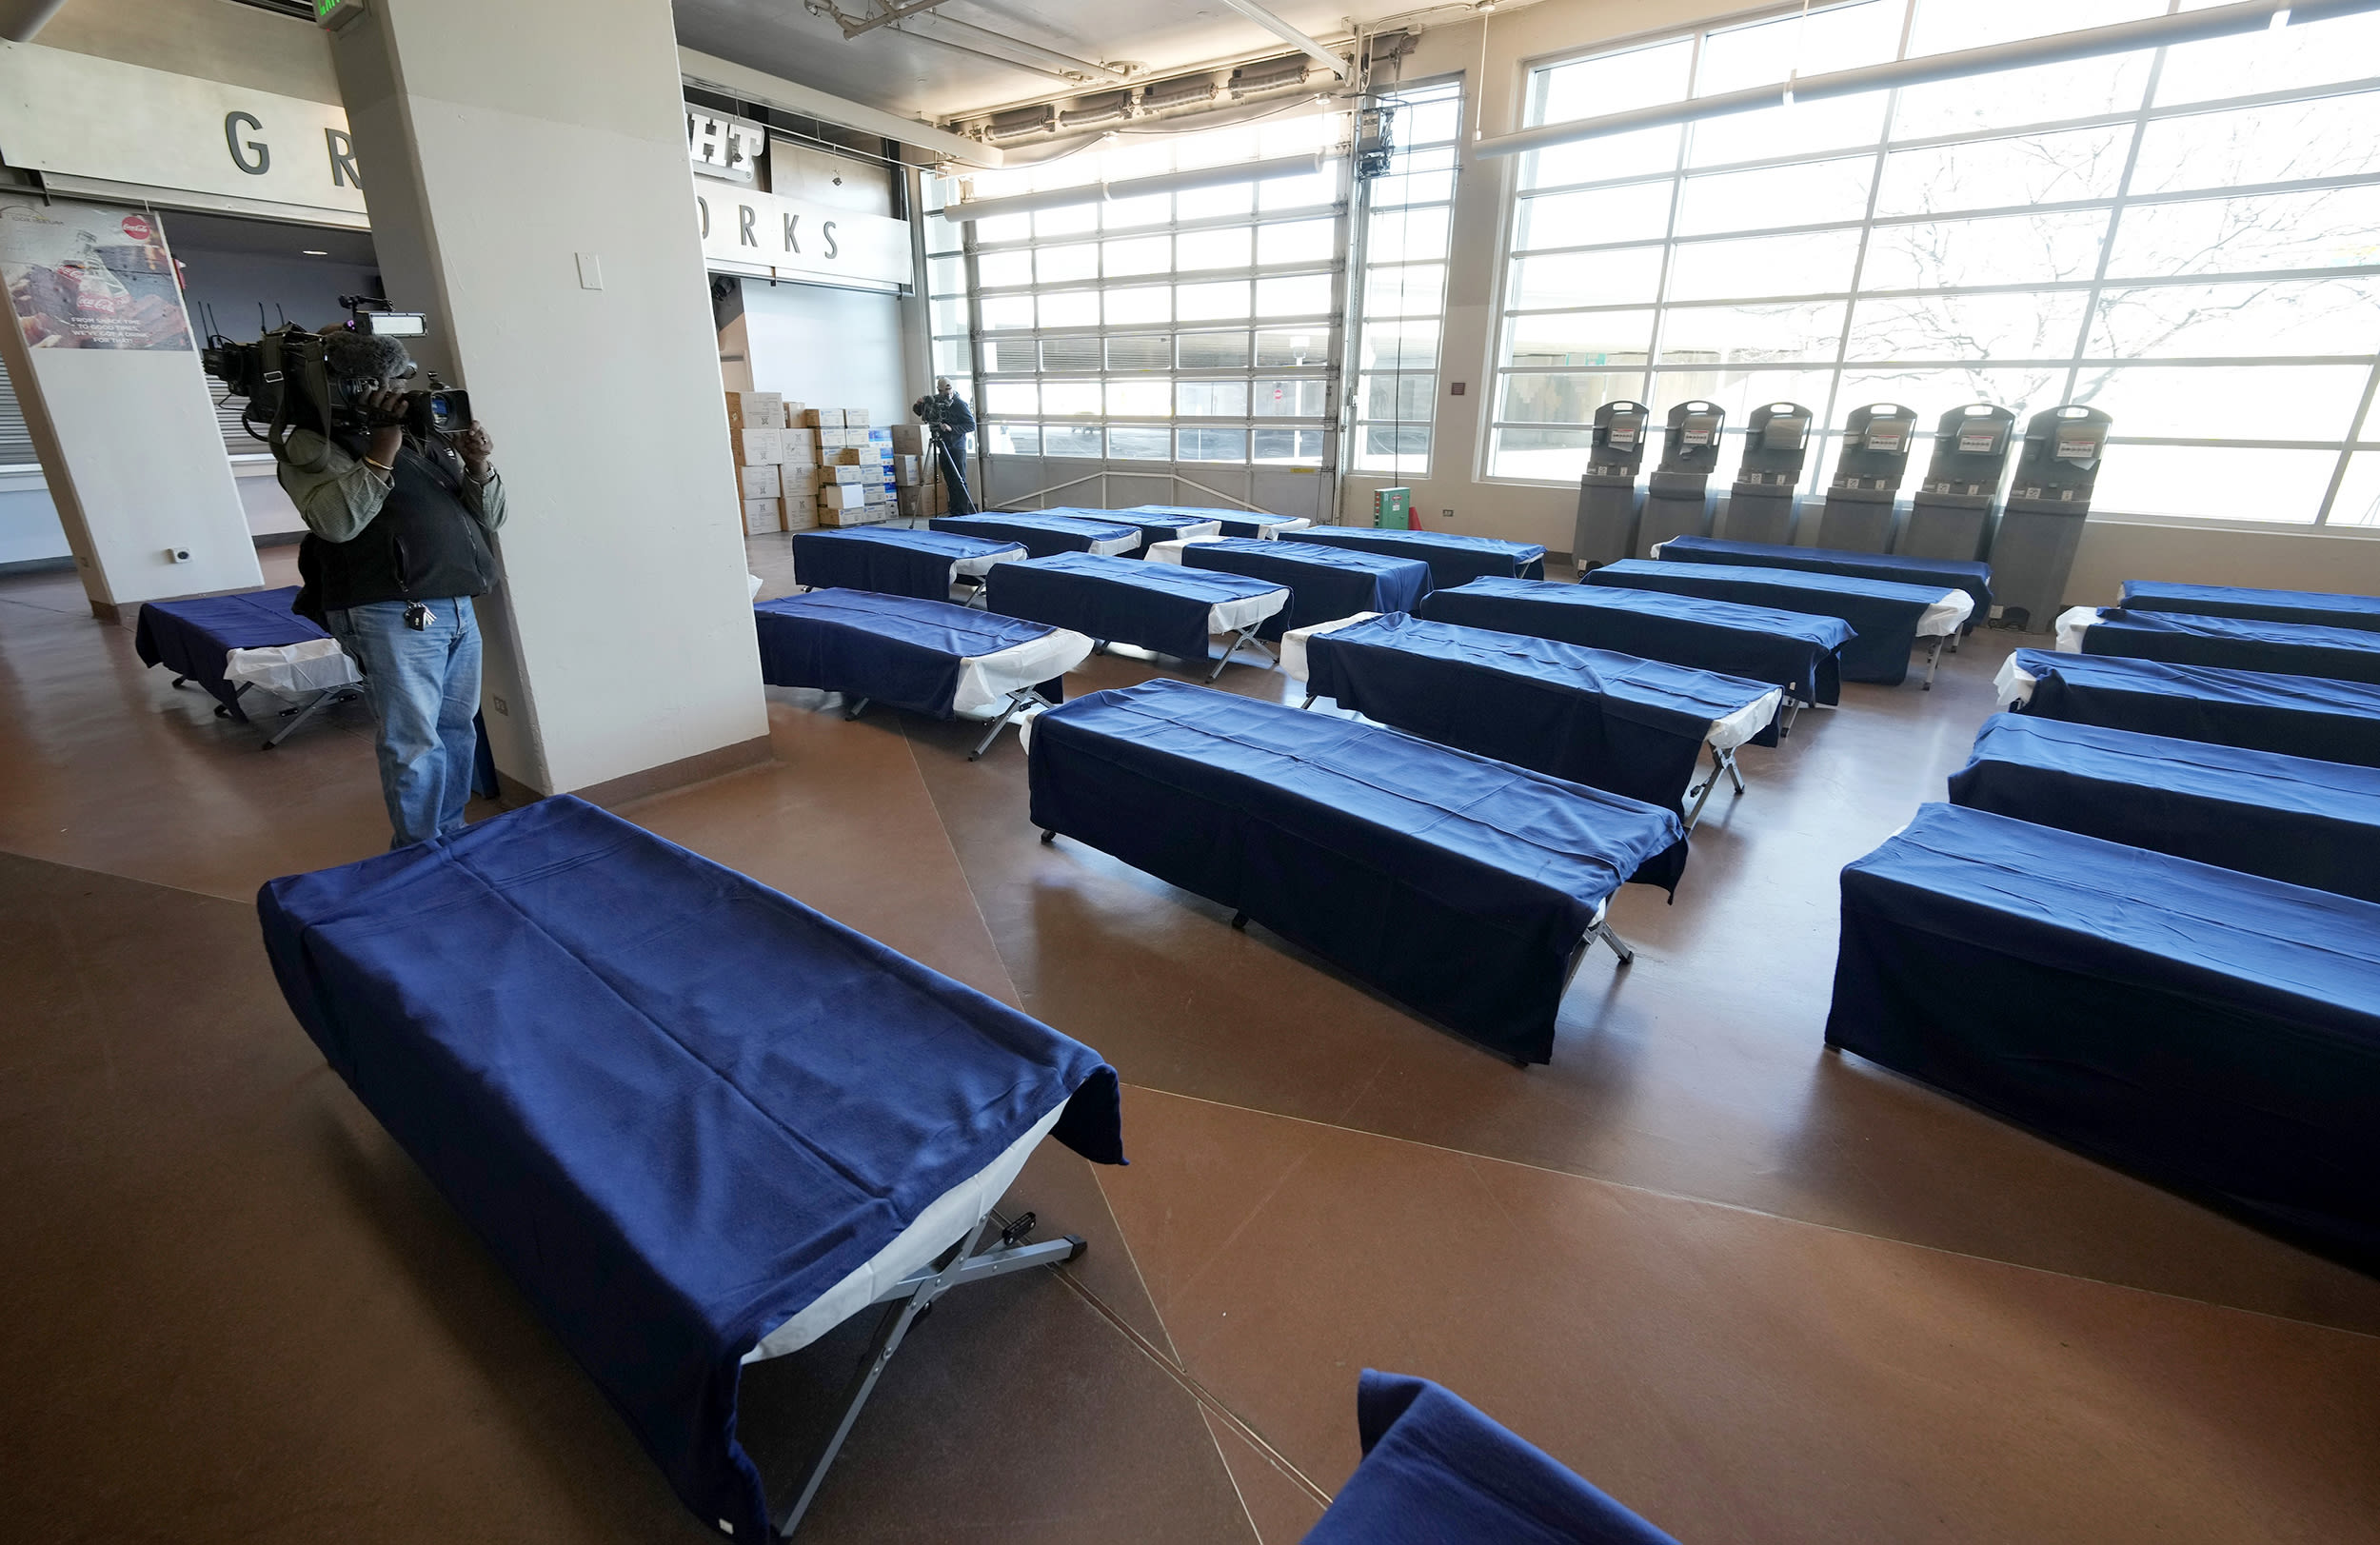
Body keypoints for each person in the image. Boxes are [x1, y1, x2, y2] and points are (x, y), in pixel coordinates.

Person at [275, 327, 505, 848]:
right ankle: (420, 853)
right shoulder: (312, 443)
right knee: (413, 741)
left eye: (402, 378)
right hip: (391, 613)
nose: (401, 389)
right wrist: (381, 448)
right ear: (354, 385)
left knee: (455, 729)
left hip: (456, 606)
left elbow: (493, 517)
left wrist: (477, 465)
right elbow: (335, 523)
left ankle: (447, 835)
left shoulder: (426, 433)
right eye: (387, 380)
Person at [919, 375, 977, 515]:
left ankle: (962, 512)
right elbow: (923, 413)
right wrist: (920, 404)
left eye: (948, 389)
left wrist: (952, 428)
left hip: (957, 447)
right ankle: (954, 510)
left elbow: (971, 425)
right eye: (941, 390)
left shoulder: (959, 404)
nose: (945, 393)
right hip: (942, 445)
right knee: (949, 480)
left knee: (959, 480)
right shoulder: (937, 401)